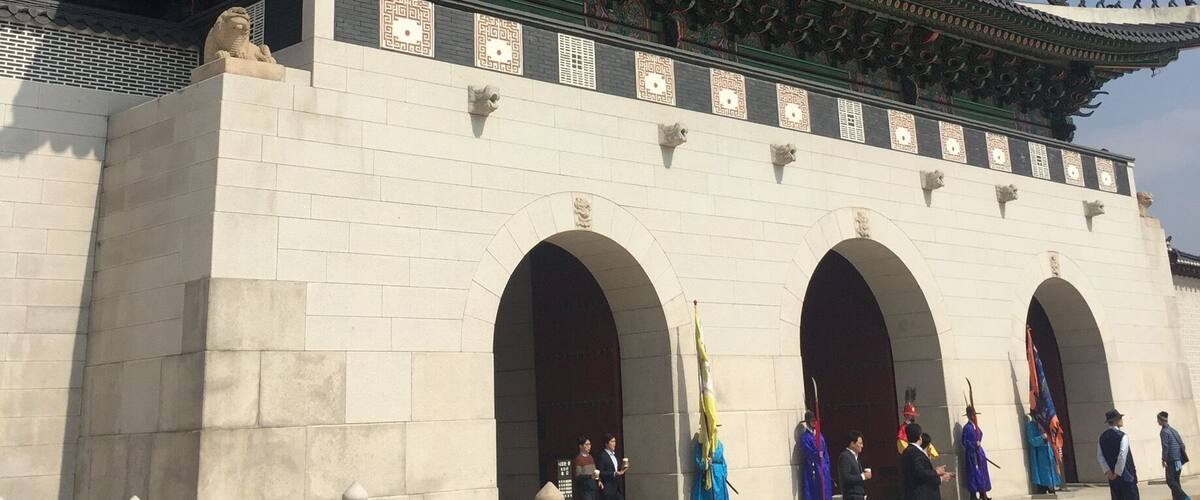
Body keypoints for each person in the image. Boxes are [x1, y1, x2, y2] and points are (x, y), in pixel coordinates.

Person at [900, 423, 953, 500]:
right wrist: (936, 472)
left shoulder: (906, 452)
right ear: (920, 437)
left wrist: (937, 474)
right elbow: (920, 473)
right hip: (921, 495)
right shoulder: (916, 453)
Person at [1097, 409, 1139, 500]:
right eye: (1120, 418)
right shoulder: (1122, 436)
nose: (1121, 420)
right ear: (1116, 420)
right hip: (1126, 474)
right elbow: (1122, 455)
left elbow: (1100, 456)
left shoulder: (1102, 437)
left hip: (1112, 476)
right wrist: (1117, 472)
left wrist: (1108, 471)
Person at [801, 410, 833, 500]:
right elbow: (809, 452)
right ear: (808, 422)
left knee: (826, 491)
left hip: (823, 467)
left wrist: (826, 464)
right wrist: (817, 454)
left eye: (815, 420)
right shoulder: (805, 438)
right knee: (815, 491)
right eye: (811, 421)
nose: (814, 422)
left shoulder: (820, 435)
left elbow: (825, 451)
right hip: (813, 467)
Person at [962, 404, 992, 500]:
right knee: (973, 473)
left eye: (974, 414)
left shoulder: (976, 426)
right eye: (970, 414)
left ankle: (983, 494)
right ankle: (973, 495)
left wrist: (978, 443)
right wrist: (974, 444)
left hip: (979, 453)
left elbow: (980, 434)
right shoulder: (967, 427)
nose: (973, 416)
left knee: (982, 472)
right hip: (972, 454)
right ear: (967, 415)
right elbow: (964, 441)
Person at [1027, 413, 1062, 494]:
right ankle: (1043, 487)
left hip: (1050, 452)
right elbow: (1032, 441)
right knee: (1043, 473)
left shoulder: (1048, 425)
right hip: (1040, 454)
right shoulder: (1032, 426)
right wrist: (1042, 437)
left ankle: (1052, 486)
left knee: (1052, 471)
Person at [1158, 411, 1190, 500]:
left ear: (1161, 420)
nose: (1157, 422)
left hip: (1171, 460)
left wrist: (1164, 459)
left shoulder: (1164, 431)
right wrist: (1179, 456)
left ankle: (1184, 497)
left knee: (1170, 481)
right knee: (1176, 482)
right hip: (1178, 460)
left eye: (1158, 420)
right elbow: (1182, 445)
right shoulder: (1174, 430)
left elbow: (1165, 446)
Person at [692, 433, 729, 500]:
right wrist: (706, 464)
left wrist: (724, 475)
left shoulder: (718, 444)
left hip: (718, 477)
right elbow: (699, 461)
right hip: (707, 477)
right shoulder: (701, 444)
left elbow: (723, 462)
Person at [838, 430, 871, 500]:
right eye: (860, 443)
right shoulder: (845, 456)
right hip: (852, 496)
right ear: (852, 443)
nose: (862, 446)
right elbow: (846, 478)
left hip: (859, 496)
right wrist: (863, 476)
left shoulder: (855, 457)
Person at [596, 433, 628, 500]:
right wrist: (614, 473)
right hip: (608, 489)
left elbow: (617, 470)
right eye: (612, 441)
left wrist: (623, 467)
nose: (614, 444)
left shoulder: (615, 455)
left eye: (615, 441)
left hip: (617, 488)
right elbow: (601, 472)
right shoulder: (602, 456)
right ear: (607, 443)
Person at [573, 436, 601, 500]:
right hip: (585, 490)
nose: (589, 446)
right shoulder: (578, 459)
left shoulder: (591, 457)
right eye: (587, 444)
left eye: (590, 444)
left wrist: (599, 480)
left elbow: (595, 471)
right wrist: (590, 476)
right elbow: (578, 476)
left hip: (593, 487)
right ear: (580, 446)